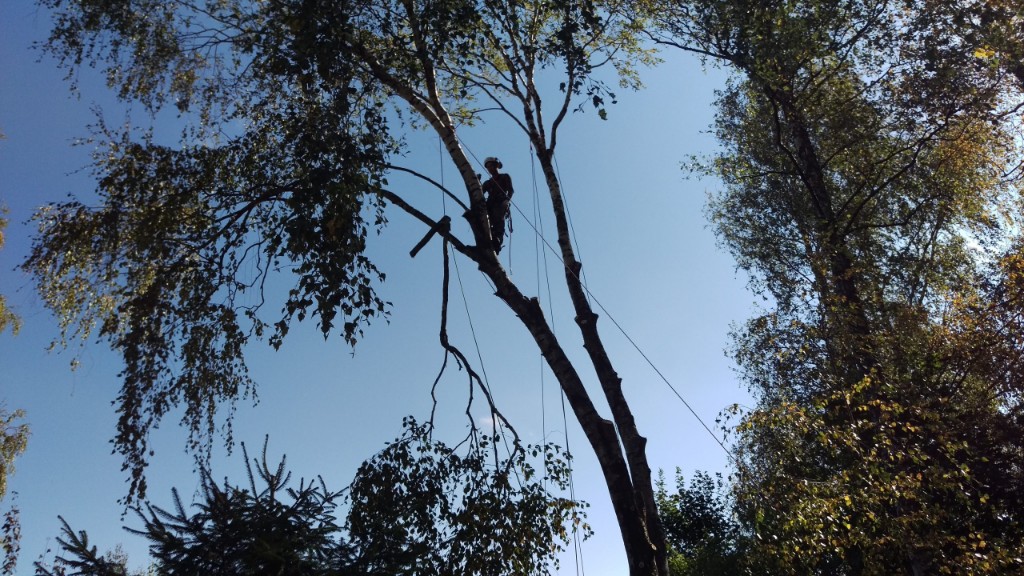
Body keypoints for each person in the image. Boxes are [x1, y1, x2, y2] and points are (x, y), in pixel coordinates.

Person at [482, 156, 514, 253]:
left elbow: (511, 191)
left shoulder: (504, 177)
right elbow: (480, 194)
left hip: (501, 203)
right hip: (490, 205)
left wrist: (506, 201)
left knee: (498, 222)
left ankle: (497, 241)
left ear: (496, 166)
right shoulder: (487, 183)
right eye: (488, 167)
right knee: (487, 224)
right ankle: (488, 241)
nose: (490, 168)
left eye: (492, 166)